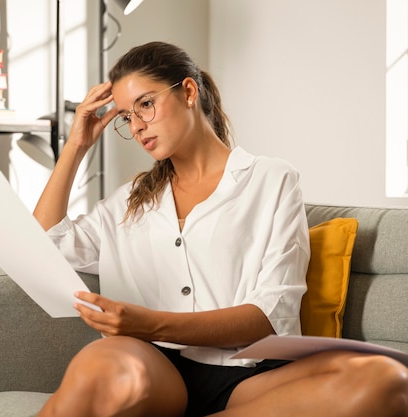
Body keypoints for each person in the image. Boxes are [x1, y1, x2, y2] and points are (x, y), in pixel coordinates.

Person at [32, 41, 408, 417]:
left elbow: (270, 315)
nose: (137, 125)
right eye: (127, 117)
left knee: (387, 381)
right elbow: (44, 246)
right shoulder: (131, 199)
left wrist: (148, 322)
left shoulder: (270, 179)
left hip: (247, 378)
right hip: (150, 363)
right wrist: (76, 145)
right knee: (102, 369)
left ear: (189, 92)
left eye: (145, 104)